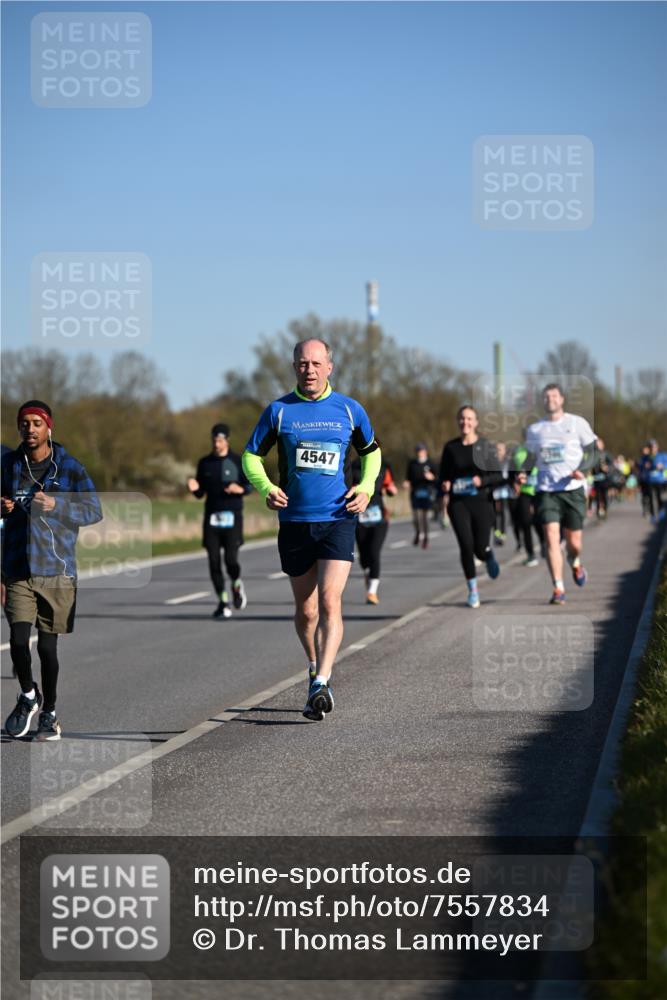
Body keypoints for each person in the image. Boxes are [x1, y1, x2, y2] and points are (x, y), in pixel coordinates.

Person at [241, 338, 380, 721]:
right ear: (294, 367)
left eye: (317, 363)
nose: (310, 370)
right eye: (303, 364)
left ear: (329, 367)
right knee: (306, 611)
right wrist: (266, 488)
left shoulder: (349, 410)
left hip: (338, 517)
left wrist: (366, 488)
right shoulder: (279, 411)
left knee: (330, 601)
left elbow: (372, 452)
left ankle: (322, 682)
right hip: (295, 522)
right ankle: (314, 664)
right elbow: (250, 456)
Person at [1, 400, 102, 740]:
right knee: (18, 640)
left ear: (48, 427)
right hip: (18, 566)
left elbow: (94, 511)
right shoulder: (7, 464)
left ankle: (50, 713)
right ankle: (29, 694)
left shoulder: (70, 467)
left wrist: (58, 505)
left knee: (46, 648)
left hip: (56, 568)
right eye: (24, 423)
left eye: (36, 423)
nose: (29, 429)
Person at [519, 384, 597, 605]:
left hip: (572, 489)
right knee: (551, 538)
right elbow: (531, 459)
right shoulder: (535, 430)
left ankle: (575, 563)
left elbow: (593, 451)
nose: (550, 399)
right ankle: (558, 588)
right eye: (546, 396)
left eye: (554, 396)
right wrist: (523, 473)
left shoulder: (577, 423)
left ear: (562, 399)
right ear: (542, 401)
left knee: (574, 543)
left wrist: (583, 470)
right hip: (546, 491)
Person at [438, 406, 503, 608]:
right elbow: (442, 476)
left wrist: (481, 481)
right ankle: (473, 590)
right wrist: (444, 485)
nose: (465, 422)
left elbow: (498, 476)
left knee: (479, 549)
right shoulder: (451, 448)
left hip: (481, 502)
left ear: (475, 422)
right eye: (462, 418)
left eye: (469, 419)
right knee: (466, 546)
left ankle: (487, 554)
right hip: (458, 503)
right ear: (458, 421)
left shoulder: (485, 446)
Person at [188, 423, 251, 619]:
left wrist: (240, 489)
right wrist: (194, 489)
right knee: (213, 561)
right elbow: (200, 493)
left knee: (230, 560)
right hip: (212, 517)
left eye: (220, 440)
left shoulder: (237, 460)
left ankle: (236, 584)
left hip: (233, 516)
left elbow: (249, 486)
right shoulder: (205, 463)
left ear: (227, 440)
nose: (217, 444)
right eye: (215, 440)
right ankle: (223, 602)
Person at [351, 457, 397, 604]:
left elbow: (390, 486)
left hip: (379, 517)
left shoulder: (383, 465)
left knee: (374, 552)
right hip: (359, 517)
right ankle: (367, 573)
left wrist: (391, 490)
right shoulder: (353, 466)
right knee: (364, 555)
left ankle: (372, 592)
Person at [510, 444, 542, 566]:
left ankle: (544, 542)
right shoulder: (518, 451)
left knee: (539, 521)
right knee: (526, 522)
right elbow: (512, 470)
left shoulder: (541, 446)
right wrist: (514, 483)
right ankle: (531, 554)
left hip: (539, 490)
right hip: (524, 492)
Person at [403, 444, 436, 549]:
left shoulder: (431, 463)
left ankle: (426, 538)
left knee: (425, 517)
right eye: (418, 451)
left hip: (427, 492)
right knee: (416, 516)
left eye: (421, 451)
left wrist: (432, 477)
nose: (419, 453)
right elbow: (408, 477)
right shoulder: (412, 463)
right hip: (415, 492)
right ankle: (418, 532)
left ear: (425, 451)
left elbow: (438, 477)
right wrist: (407, 483)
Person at [589, 437, 614, 519]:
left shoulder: (606, 454)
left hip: (605, 479)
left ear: (603, 445)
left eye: (599, 444)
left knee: (604, 495)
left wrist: (607, 468)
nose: (598, 445)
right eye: (597, 444)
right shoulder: (593, 454)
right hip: (596, 479)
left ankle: (605, 510)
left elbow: (612, 465)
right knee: (597, 496)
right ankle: (598, 511)